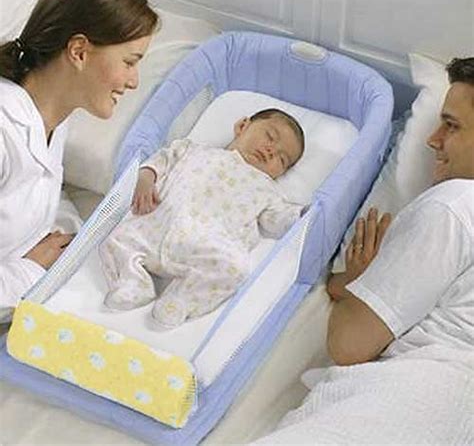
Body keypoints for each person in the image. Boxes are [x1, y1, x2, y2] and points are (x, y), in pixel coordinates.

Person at [253, 57, 474, 445]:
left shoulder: (453, 205)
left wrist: (360, 280)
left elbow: (349, 343)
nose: (433, 139)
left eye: (451, 125)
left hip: (414, 398)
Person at [0, 0, 159, 324]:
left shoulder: (52, 119)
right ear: (79, 52)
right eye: (129, 62)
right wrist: (29, 271)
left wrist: (85, 236)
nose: (134, 81)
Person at [99, 108, 306, 328]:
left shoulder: (266, 189)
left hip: (204, 245)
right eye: (270, 136)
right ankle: (133, 281)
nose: (271, 150)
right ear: (242, 126)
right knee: (116, 237)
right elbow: (161, 161)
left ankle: (181, 301)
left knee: (235, 266)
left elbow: (277, 219)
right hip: (154, 226)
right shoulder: (192, 150)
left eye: (282, 159)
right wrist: (145, 177)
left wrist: (302, 215)